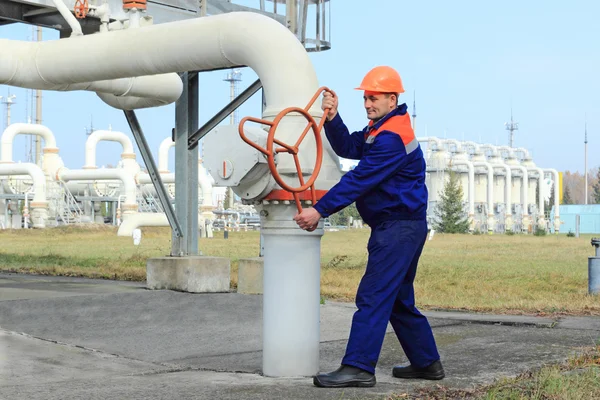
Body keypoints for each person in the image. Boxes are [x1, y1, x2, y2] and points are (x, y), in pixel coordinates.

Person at [293, 66, 445, 388]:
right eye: (365, 98)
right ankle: (427, 363)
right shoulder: (383, 128)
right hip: (403, 227)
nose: (367, 103)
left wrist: (319, 210)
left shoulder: (391, 138)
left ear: (393, 99)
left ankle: (359, 367)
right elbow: (349, 147)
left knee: (374, 295)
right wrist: (332, 117)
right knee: (399, 300)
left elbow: (359, 179)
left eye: (373, 97)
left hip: (398, 229)